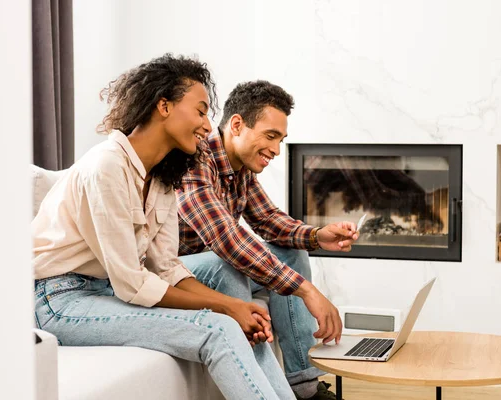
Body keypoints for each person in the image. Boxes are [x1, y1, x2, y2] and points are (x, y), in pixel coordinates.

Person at [32, 55, 295, 400]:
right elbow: (133, 284)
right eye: (200, 111)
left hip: (106, 290)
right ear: (164, 106)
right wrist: (228, 307)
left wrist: (239, 308)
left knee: (236, 315)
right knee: (217, 329)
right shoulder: (106, 167)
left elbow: (167, 267)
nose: (206, 125)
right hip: (61, 301)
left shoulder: (162, 177)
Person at [177, 80, 359, 400]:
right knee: (228, 264)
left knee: (291, 253)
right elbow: (227, 240)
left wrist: (317, 236)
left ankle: (305, 386)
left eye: (281, 139)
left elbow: (267, 220)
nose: (276, 150)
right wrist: (307, 289)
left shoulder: (240, 167)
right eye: (270, 136)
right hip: (177, 273)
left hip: (213, 262)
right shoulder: (194, 160)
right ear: (237, 125)